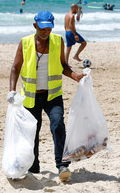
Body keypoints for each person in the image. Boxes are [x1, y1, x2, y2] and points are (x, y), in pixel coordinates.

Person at [8, 10, 85, 182]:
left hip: (53, 95)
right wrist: (12, 91)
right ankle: (33, 167)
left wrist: (75, 76)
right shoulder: (25, 43)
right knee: (31, 133)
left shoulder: (58, 41)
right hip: (30, 97)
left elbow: (63, 65)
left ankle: (62, 165)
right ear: (35, 25)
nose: (45, 32)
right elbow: (15, 68)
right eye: (42, 28)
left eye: (49, 29)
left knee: (58, 125)